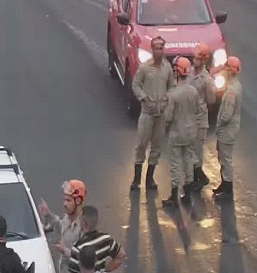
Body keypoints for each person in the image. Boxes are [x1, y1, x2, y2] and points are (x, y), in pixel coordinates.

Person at [130, 36, 174, 191]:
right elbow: (135, 85)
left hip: (160, 114)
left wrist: (166, 99)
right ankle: (136, 180)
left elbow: (172, 86)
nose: (159, 51)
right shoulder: (144, 68)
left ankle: (150, 178)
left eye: (162, 48)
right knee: (141, 144)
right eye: (156, 48)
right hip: (147, 113)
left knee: (157, 145)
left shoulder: (167, 68)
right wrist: (143, 98)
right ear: (152, 49)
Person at [163, 57, 202, 207]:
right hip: (191, 132)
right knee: (188, 159)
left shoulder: (173, 94)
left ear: (177, 72)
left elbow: (168, 116)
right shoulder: (193, 91)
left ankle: (174, 195)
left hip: (177, 132)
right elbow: (198, 109)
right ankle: (188, 191)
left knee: (175, 162)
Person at [186, 43, 216, 190]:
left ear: (204, 60)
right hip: (188, 117)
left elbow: (211, 99)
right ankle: (195, 176)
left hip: (200, 118)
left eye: (197, 58)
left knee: (197, 148)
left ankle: (199, 177)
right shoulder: (190, 73)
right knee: (190, 147)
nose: (194, 60)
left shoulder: (207, 80)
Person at [212, 56, 242, 200]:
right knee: (223, 157)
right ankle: (224, 184)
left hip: (227, 130)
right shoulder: (235, 86)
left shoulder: (231, 92)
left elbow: (226, 115)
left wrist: (219, 125)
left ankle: (227, 186)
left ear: (230, 71)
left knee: (225, 159)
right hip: (230, 129)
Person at [39, 180, 85, 273]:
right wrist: (48, 214)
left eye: (68, 200)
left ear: (78, 201)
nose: (64, 204)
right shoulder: (68, 217)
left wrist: (65, 251)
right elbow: (60, 227)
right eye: (64, 200)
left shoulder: (84, 226)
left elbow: (86, 257)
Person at [68, 206, 126, 273]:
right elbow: (121, 255)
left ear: (83, 223)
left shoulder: (77, 248)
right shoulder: (106, 239)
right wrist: (106, 270)